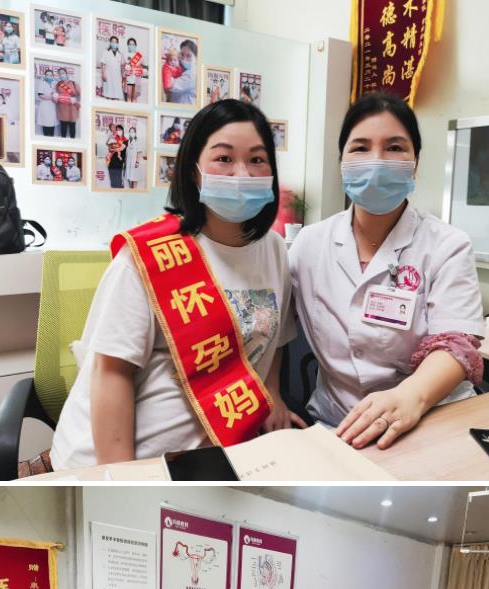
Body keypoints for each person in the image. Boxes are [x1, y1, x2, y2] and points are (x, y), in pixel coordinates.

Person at [50, 99, 301, 471]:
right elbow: (110, 372)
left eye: (257, 159)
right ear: (194, 171)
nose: (242, 173)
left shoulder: (275, 249)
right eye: (224, 158)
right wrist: (123, 479)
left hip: (211, 454)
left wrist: (273, 394)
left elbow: (275, 340)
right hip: (120, 458)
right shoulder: (150, 256)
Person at [290, 92, 485, 449]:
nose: (377, 161)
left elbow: (457, 345)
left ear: (415, 164)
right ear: (341, 161)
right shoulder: (309, 243)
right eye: (360, 148)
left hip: (428, 419)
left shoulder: (447, 244)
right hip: (338, 424)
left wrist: (411, 396)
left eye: (395, 148)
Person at [164, 38, 197, 105]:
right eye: (182, 54)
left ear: (196, 58)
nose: (184, 59)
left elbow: (171, 85)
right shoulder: (180, 69)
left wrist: (165, 68)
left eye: (188, 56)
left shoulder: (191, 74)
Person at [55, 67, 80, 139]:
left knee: (72, 127)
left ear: (66, 73)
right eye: (60, 74)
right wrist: (58, 97)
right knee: (63, 128)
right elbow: (55, 95)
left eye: (63, 73)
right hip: (62, 109)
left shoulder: (74, 83)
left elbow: (80, 94)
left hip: (72, 109)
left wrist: (75, 99)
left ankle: (73, 143)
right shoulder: (58, 84)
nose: (62, 75)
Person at [100, 35, 124, 100]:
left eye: (115, 42)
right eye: (112, 42)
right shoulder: (105, 52)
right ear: (110, 43)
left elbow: (121, 66)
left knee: (116, 94)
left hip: (117, 76)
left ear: (117, 44)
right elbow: (103, 63)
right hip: (108, 74)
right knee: (108, 93)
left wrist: (122, 76)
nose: (114, 43)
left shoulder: (120, 54)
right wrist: (104, 73)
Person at [36, 68, 57, 137]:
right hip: (44, 105)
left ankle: (51, 138)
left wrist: (55, 97)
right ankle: (46, 137)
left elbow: (57, 94)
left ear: (53, 76)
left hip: (52, 105)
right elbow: (40, 94)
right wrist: (50, 97)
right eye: (47, 75)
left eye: (50, 75)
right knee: (45, 122)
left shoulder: (55, 84)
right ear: (45, 75)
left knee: (52, 123)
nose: (49, 76)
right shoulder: (42, 83)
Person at [124, 37, 145, 103]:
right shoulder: (124, 55)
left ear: (135, 46)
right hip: (128, 79)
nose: (131, 46)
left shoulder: (139, 56)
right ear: (127, 45)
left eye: (133, 44)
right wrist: (125, 71)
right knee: (128, 97)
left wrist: (140, 71)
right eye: (130, 44)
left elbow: (143, 67)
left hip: (136, 79)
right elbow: (122, 66)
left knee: (134, 98)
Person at [106, 124, 126, 188]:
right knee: (112, 177)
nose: (114, 129)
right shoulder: (112, 137)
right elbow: (109, 145)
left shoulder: (124, 139)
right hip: (112, 160)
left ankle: (119, 188)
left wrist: (114, 149)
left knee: (118, 178)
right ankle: (114, 188)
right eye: (112, 127)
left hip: (119, 161)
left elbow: (120, 149)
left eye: (120, 130)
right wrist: (111, 148)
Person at [124, 125, 141, 189]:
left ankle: (134, 190)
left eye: (133, 132)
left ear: (135, 133)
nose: (131, 133)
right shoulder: (128, 141)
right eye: (130, 132)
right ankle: (131, 189)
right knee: (129, 177)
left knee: (134, 177)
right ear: (129, 133)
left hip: (134, 163)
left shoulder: (137, 142)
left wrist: (137, 162)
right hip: (128, 162)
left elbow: (139, 152)